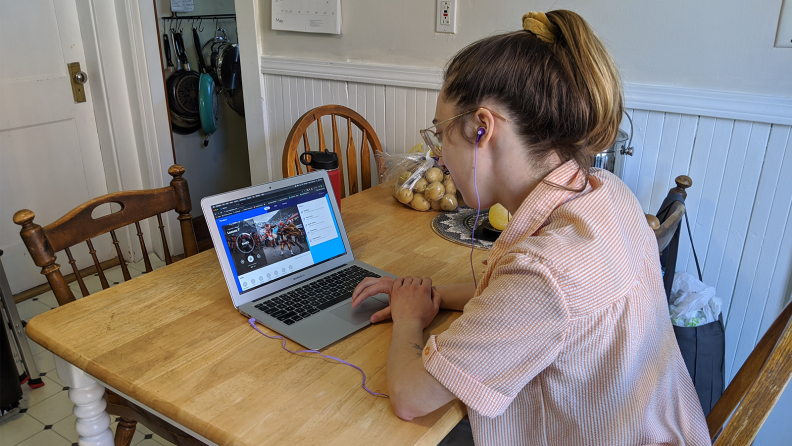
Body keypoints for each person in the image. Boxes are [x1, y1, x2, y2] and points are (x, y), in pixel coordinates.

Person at [351, 10, 710, 446]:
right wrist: (435, 295)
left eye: (442, 133)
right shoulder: (605, 192)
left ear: (483, 129)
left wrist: (409, 318)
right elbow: (513, 295)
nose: (439, 157)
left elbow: (410, 396)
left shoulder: (547, 272)